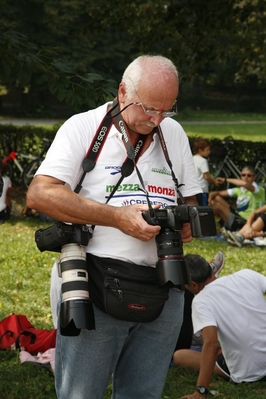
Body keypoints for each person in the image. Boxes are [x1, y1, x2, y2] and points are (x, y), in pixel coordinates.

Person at [26, 55, 202, 399]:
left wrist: (185, 222)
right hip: (94, 285)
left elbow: (191, 201)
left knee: (143, 394)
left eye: (167, 110)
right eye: (150, 109)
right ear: (123, 92)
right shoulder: (83, 127)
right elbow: (40, 194)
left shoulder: (173, 133)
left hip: (164, 288)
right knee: (82, 394)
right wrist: (118, 218)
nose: (156, 119)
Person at [173, 254, 266, 399]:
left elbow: (211, 344)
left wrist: (200, 391)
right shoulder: (247, 274)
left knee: (179, 356)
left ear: (194, 285)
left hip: (248, 371)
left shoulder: (201, 301)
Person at [174, 251, 225, 352]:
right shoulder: (245, 276)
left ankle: (197, 335)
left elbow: (211, 344)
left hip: (240, 360)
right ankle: (207, 277)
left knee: (179, 356)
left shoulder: (200, 303)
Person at [208, 165, 265, 232]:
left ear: (254, 178)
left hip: (247, 221)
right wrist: (210, 200)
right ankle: (208, 226)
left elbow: (245, 184)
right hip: (237, 217)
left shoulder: (258, 189)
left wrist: (225, 180)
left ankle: (207, 229)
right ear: (240, 177)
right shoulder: (239, 190)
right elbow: (216, 193)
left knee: (216, 205)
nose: (246, 177)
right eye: (243, 175)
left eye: (249, 175)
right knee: (216, 198)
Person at [192, 138, 221, 206]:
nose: (209, 152)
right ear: (200, 150)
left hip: (194, 189)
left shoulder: (192, 158)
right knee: (203, 209)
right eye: (207, 150)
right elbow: (206, 176)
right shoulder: (203, 161)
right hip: (202, 189)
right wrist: (214, 182)